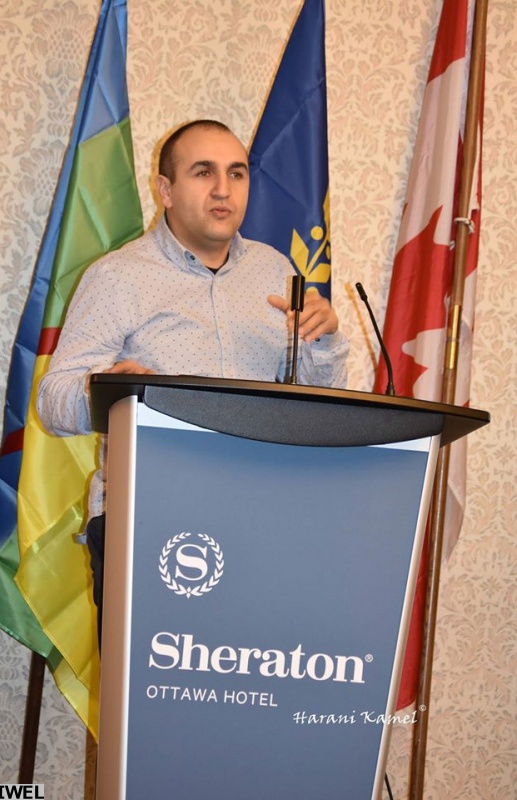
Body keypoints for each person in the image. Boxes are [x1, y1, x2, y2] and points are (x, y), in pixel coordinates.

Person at [37, 119, 349, 631]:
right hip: (149, 520)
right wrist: (111, 388)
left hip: (264, 520)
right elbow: (52, 402)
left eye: (237, 173)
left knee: (251, 676)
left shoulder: (277, 272)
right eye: (204, 172)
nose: (223, 189)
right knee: (149, 683)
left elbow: (315, 403)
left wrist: (325, 339)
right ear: (165, 189)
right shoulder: (118, 277)